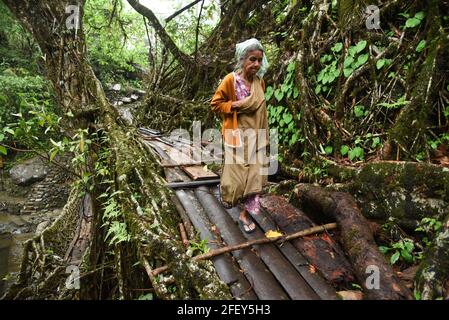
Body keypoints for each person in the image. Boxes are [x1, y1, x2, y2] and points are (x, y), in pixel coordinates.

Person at [210, 38, 270, 233]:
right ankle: (228, 195)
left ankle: (245, 213)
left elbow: (260, 109)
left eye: (259, 60)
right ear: (242, 59)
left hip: (256, 136)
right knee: (236, 178)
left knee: (254, 177)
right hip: (236, 136)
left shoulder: (260, 82)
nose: (256, 64)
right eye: (252, 59)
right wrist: (235, 105)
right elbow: (216, 104)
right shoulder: (230, 80)